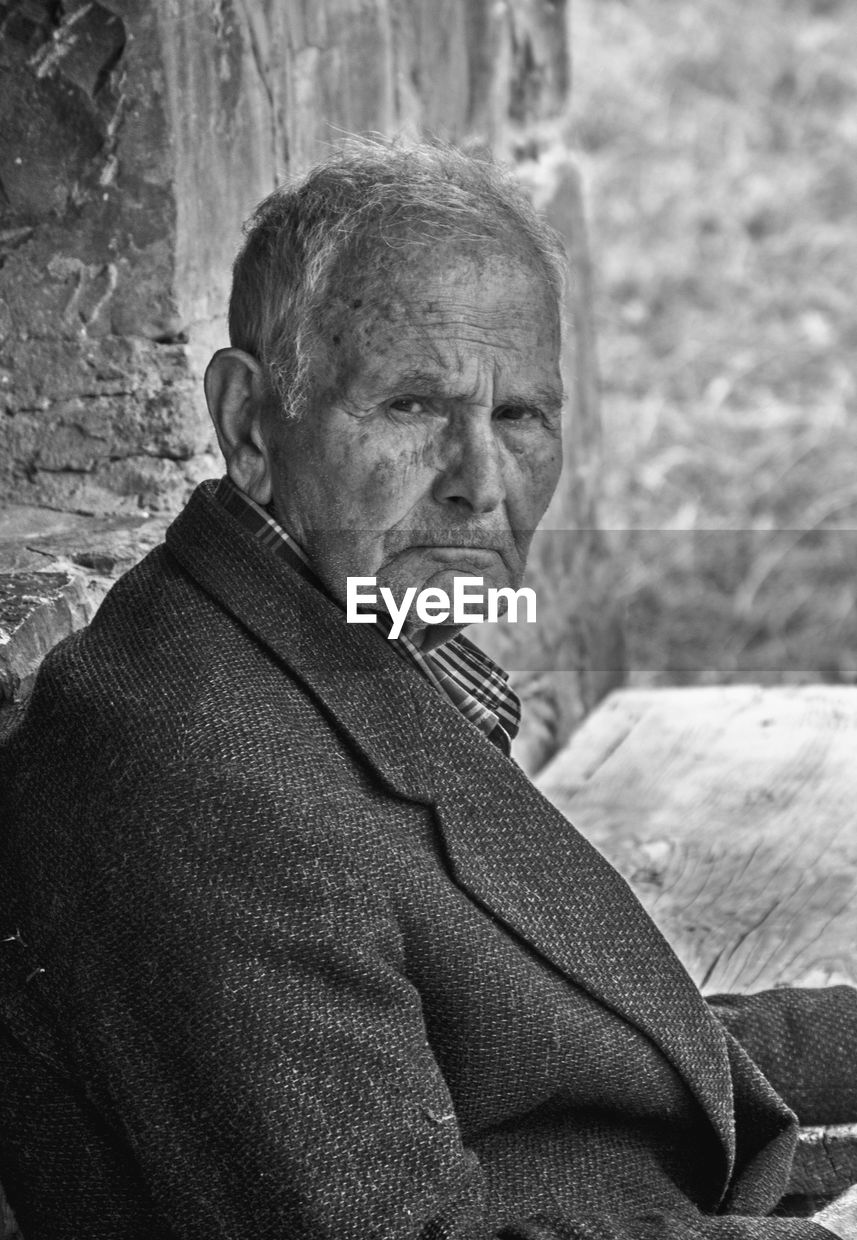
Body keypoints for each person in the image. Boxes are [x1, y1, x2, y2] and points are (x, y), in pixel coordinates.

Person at [1, 140, 856, 1240]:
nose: (478, 483)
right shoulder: (198, 769)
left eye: (519, 416)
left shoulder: (328, 628)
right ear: (250, 425)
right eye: (410, 406)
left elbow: (556, 1030)